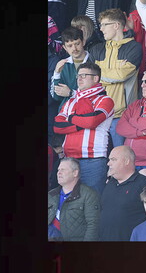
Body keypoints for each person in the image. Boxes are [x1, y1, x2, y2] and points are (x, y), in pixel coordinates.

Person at [52, 61, 113, 197]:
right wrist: (82, 122)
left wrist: (70, 118)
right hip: (69, 159)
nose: (79, 78)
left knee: (93, 200)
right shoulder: (71, 101)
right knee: (68, 200)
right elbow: (57, 126)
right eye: (78, 75)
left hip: (94, 159)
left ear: (96, 78)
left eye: (84, 75)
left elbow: (92, 121)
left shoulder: (105, 100)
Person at [88, 8, 143, 148]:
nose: (101, 29)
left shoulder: (134, 47)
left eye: (104, 25)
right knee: (98, 154)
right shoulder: (96, 49)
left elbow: (122, 75)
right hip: (97, 113)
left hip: (122, 115)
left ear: (116, 25)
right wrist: (113, 73)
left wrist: (99, 74)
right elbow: (88, 77)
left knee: (120, 153)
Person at [99, 146, 146, 241]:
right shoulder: (110, 183)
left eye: (113, 159)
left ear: (126, 161)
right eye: (109, 159)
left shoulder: (145, 184)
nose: (108, 163)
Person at [48, 158, 100, 241]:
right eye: (58, 170)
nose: (59, 173)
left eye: (63, 170)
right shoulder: (51, 194)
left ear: (75, 173)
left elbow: (93, 226)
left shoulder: (89, 195)